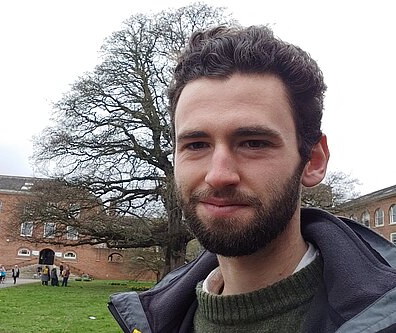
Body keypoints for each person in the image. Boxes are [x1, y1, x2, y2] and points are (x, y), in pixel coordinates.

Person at [108, 25, 396, 332]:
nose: (218, 175)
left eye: (254, 143)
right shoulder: (154, 320)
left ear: (313, 160)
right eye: (196, 145)